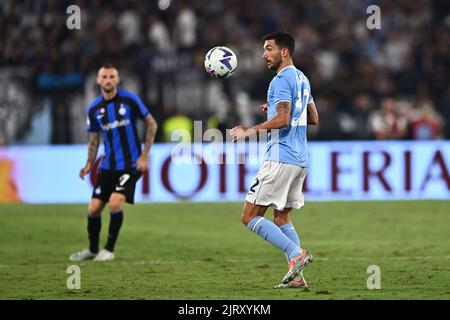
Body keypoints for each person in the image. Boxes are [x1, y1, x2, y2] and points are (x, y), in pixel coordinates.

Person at [230, 32, 319, 288]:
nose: (264, 55)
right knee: (281, 218)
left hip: (281, 156)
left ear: (284, 52)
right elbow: (312, 118)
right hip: (300, 159)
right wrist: (275, 109)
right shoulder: (302, 78)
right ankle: (297, 277)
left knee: (249, 216)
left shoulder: (280, 80)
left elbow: (283, 119)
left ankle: (296, 254)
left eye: (268, 49)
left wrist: (249, 130)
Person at [69, 65, 158, 262]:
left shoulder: (130, 100)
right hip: (108, 166)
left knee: (116, 203)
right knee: (93, 208)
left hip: (131, 165)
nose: (108, 80)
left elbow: (151, 123)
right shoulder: (94, 109)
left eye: (112, 76)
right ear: (98, 81)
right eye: (104, 77)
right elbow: (93, 141)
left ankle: (108, 250)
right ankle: (93, 250)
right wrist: (88, 165)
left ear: (117, 80)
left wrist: (144, 156)